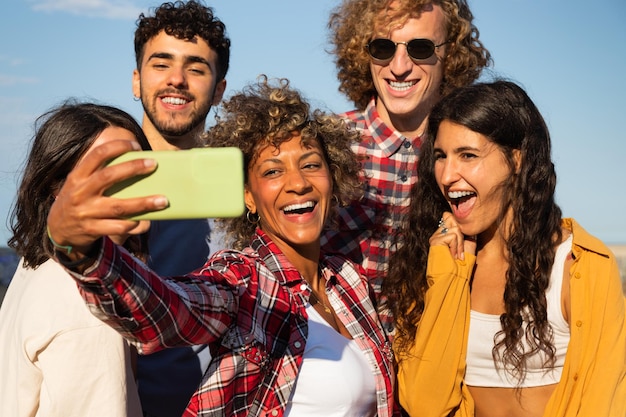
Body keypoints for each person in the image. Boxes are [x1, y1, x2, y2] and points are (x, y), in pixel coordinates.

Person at [45, 77, 397, 417]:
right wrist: (83, 252)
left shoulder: (349, 279)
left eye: (310, 165)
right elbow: (170, 310)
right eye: (272, 172)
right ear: (248, 196)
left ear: (333, 180)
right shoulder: (243, 280)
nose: (298, 183)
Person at [384, 80, 626, 416]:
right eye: (441, 156)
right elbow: (426, 405)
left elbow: (605, 400)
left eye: (468, 155)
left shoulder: (579, 265)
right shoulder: (434, 259)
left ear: (516, 160)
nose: (448, 175)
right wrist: (448, 274)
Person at [322, 0, 492, 333]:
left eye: (420, 48)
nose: (399, 66)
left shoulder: (477, 158)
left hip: (430, 371)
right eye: (383, 48)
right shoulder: (323, 146)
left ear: (451, 55)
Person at [0, 102, 151, 417]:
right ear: (57, 186)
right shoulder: (88, 303)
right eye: (106, 169)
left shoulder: (36, 268)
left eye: (138, 166)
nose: (129, 181)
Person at [130, 2, 230, 415]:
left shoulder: (242, 184)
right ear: (137, 81)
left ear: (219, 89)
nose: (177, 80)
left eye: (196, 67)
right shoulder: (96, 176)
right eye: (161, 64)